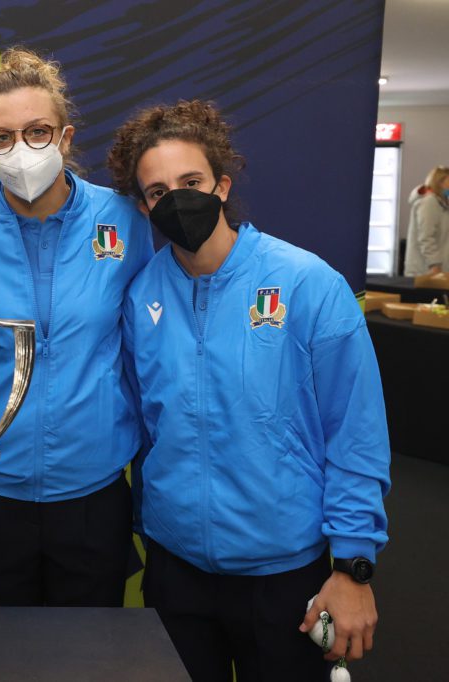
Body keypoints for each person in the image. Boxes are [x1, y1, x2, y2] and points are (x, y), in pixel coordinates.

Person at [108, 100, 390, 681]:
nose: (177, 198)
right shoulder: (140, 299)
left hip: (285, 575)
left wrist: (354, 567)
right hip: (175, 567)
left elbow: (355, 434)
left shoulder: (308, 283)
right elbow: (143, 427)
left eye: (192, 182)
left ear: (222, 185)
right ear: (143, 207)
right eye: (159, 192)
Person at [0, 47, 153, 607]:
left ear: (64, 137)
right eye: (3, 137)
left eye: (38, 132)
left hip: (94, 492)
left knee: (86, 657)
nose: (21, 149)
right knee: (1, 653)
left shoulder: (124, 220)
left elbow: (146, 348)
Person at [403, 165, 449, 276]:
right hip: (426, 270)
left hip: (437, 270)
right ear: (439, 182)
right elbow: (426, 237)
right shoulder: (429, 202)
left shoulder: (442, 203)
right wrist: (435, 264)